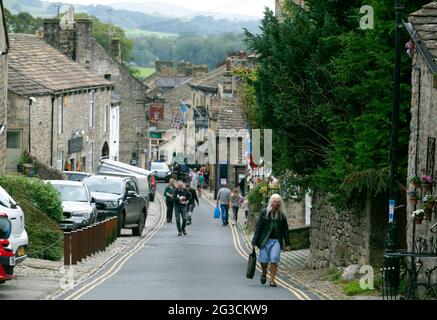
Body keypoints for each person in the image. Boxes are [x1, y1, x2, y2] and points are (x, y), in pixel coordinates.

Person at [251, 194, 291, 287]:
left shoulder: (282, 215)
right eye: (274, 201)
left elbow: (286, 230)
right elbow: (258, 227)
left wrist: (287, 243)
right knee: (263, 260)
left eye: (278, 202)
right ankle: (264, 272)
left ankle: (272, 280)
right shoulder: (264, 212)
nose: (276, 203)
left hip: (276, 240)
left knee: (274, 259)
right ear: (271, 202)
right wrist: (254, 241)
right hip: (264, 241)